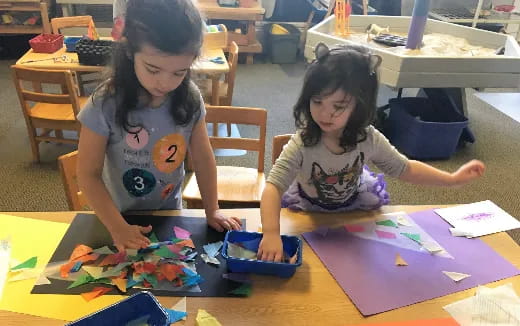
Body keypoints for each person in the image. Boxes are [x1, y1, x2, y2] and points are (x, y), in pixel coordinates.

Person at [258, 42, 486, 262]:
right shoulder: (303, 143)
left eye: (338, 106)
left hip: (354, 206)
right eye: (317, 101)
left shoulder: (368, 138)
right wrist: (270, 233)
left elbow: (404, 169)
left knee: (361, 263)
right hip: (308, 208)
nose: (325, 114)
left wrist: (451, 179)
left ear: (360, 105)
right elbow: (273, 187)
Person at [77, 0, 241, 251]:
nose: (165, 83)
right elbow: (87, 175)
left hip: (168, 214)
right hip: (118, 217)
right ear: (130, 50)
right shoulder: (105, 102)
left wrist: (213, 209)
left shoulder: (190, 98)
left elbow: (204, 159)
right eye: (152, 69)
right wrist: (117, 226)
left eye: (179, 73)